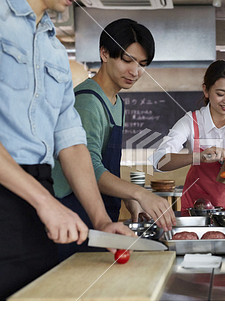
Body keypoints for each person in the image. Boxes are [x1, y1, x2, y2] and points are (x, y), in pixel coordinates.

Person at [0, 0, 133, 300]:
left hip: (38, 197)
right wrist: (45, 202)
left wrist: (101, 223)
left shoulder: (56, 52)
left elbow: (72, 143)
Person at [52, 18, 177, 260]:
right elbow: (89, 167)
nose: (135, 71)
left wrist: (127, 197)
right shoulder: (87, 102)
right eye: (127, 60)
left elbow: (105, 163)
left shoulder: (117, 102)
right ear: (105, 53)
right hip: (74, 214)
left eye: (142, 64)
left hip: (99, 214)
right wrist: (138, 193)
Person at [152, 60, 225, 213]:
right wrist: (199, 157)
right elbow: (159, 161)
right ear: (206, 90)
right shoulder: (190, 122)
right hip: (197, 208)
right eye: (220, 94)